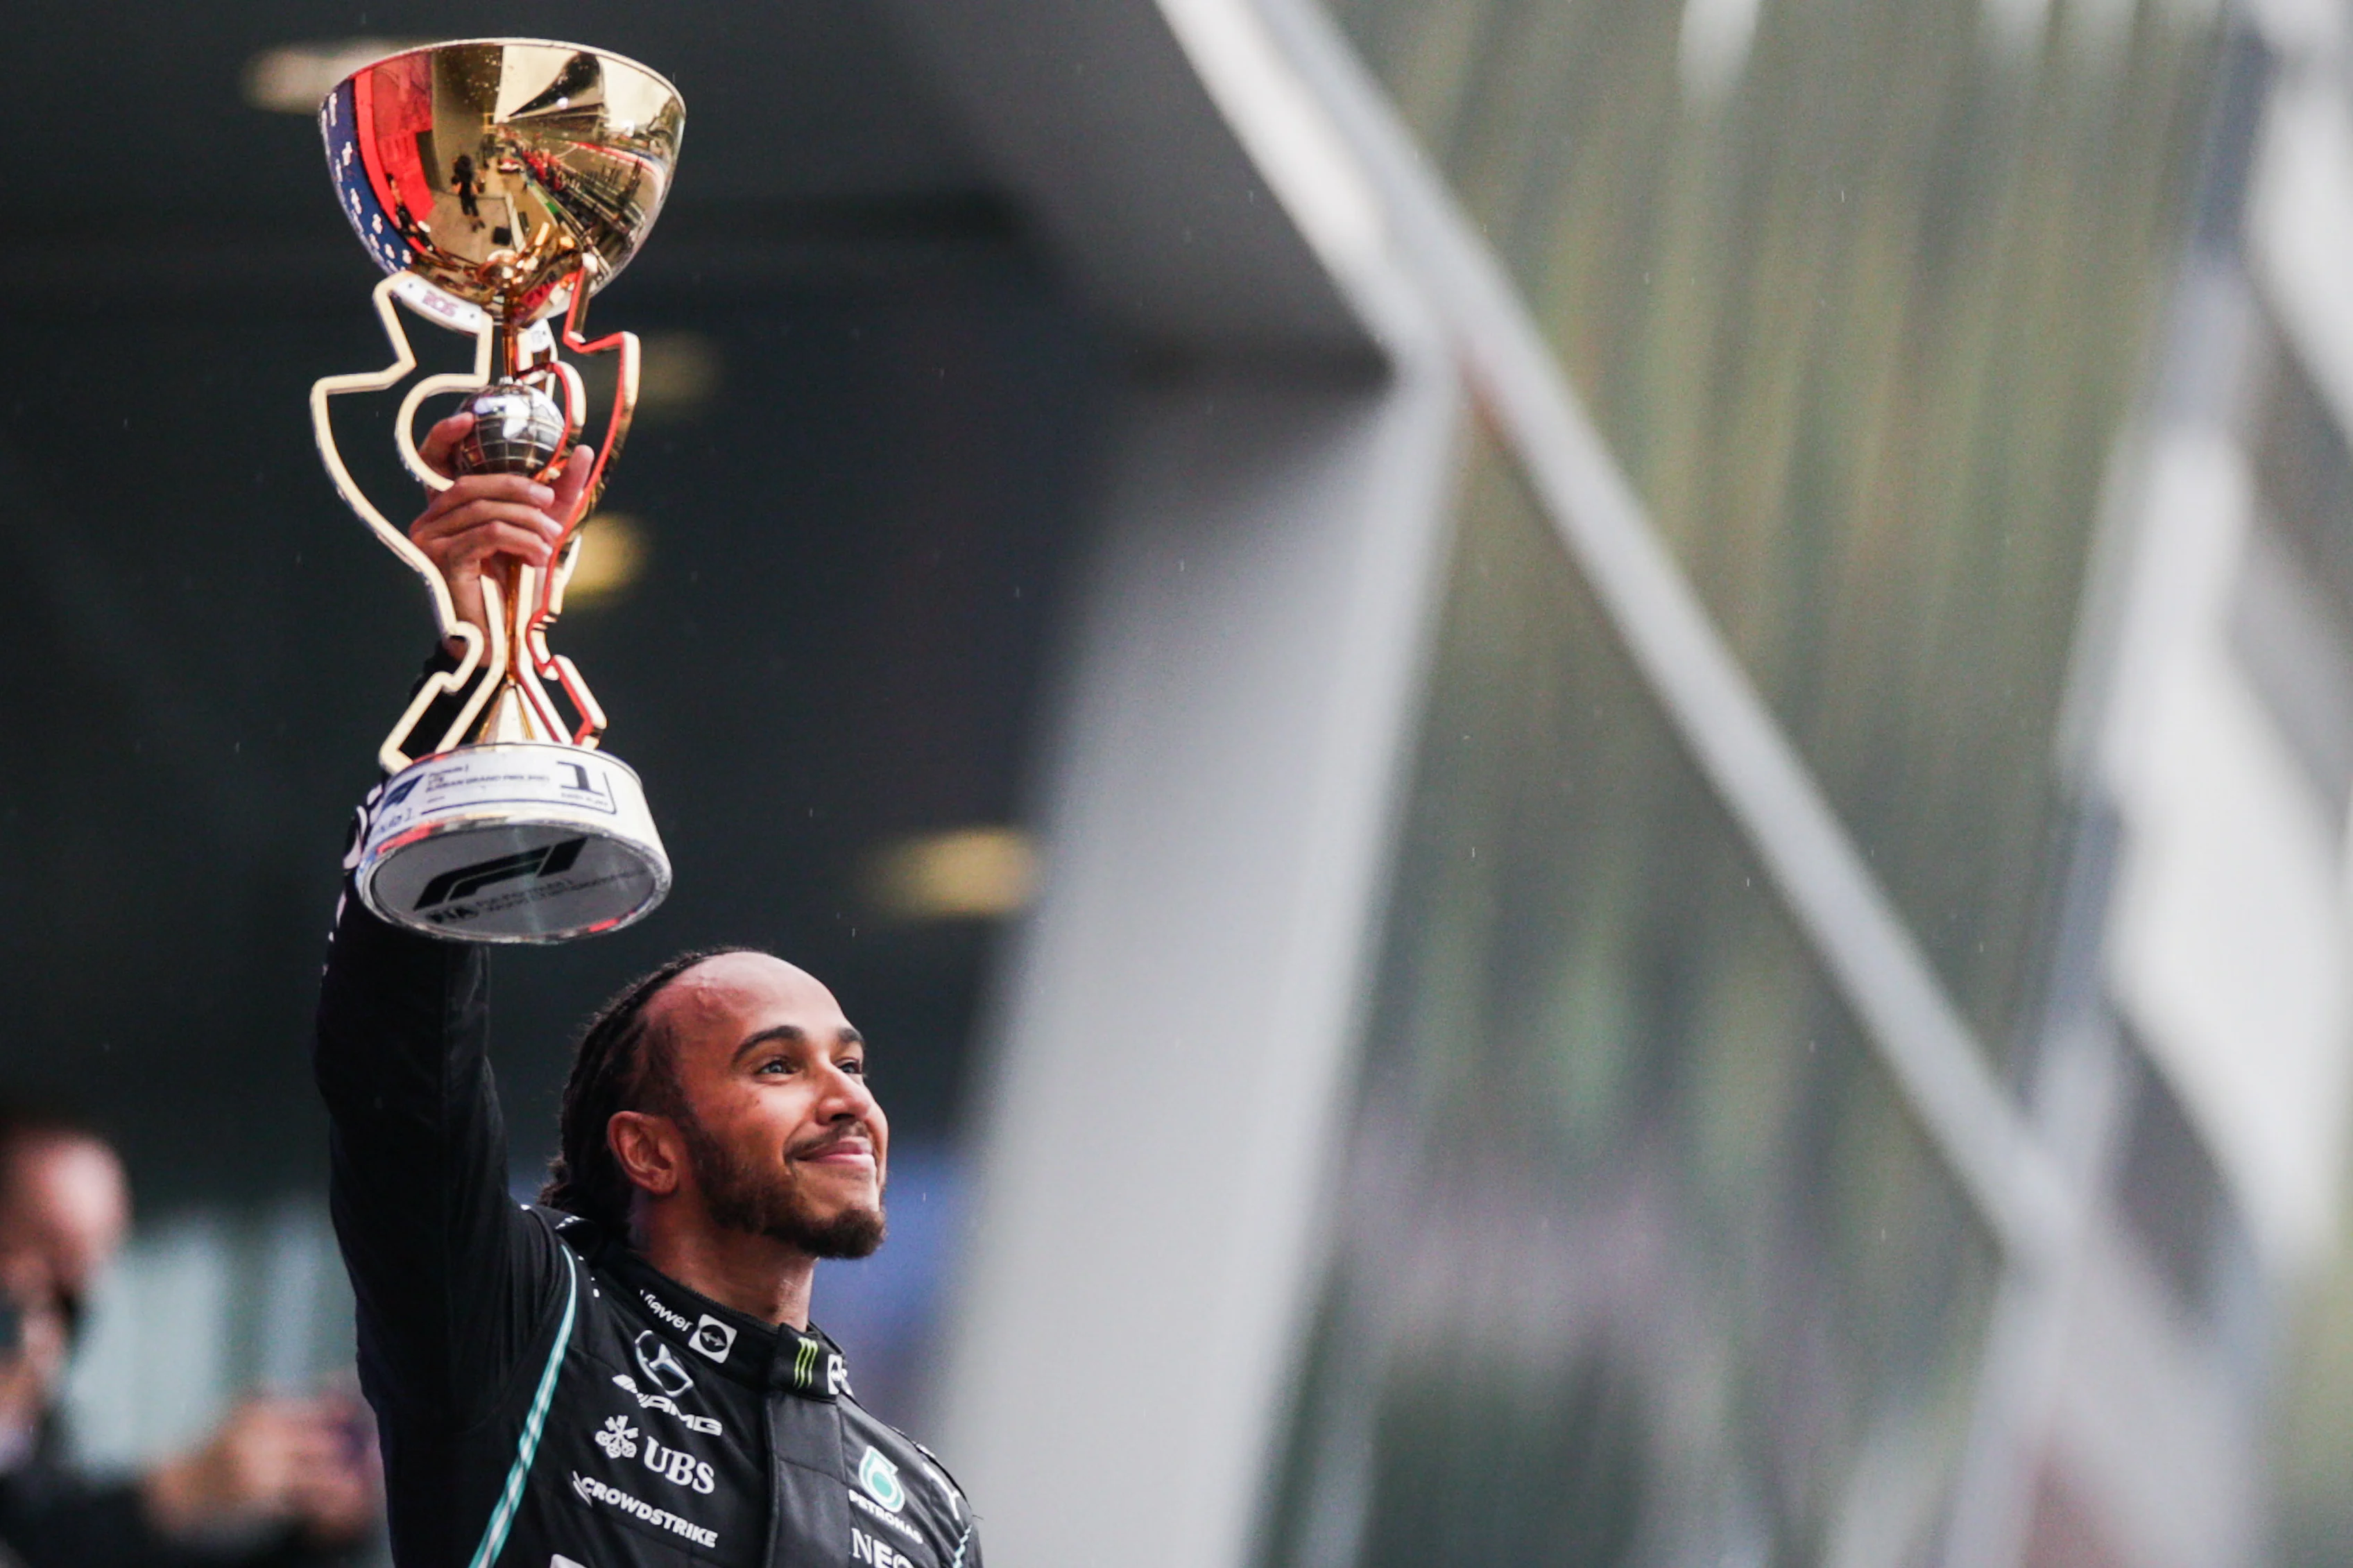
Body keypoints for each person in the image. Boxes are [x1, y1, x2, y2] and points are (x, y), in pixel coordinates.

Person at [313, 415, 980, 1568]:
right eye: (777, 1064)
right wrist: (483, 673)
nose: (843, 1097)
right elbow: (399, 1074)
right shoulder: (523, 1331)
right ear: (650, 1151)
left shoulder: (924, 1513)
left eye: (849, 1063)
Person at [0, 1110, 378, 1568]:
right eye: (42, 1251)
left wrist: (314, 1536)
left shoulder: (40, 1440)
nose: (58, 1301)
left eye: (84, 1263)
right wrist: (182, 1488)